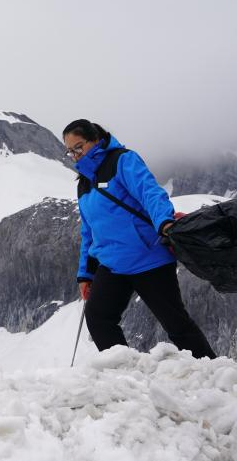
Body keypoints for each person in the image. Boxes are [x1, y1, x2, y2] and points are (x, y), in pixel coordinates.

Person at [63, 120, 215, 359]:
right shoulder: (84, 184)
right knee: (99, 318)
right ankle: (125, 373)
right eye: (70, 151)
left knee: (176, 324)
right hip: (112, 264)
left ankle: (213, 371)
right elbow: (89, 231)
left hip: (149, 258)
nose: (75, 155)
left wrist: (164, 221)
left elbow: (149, 192)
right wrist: (85, 274)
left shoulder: (122, 160)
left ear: (95, 140)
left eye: (78, 147)